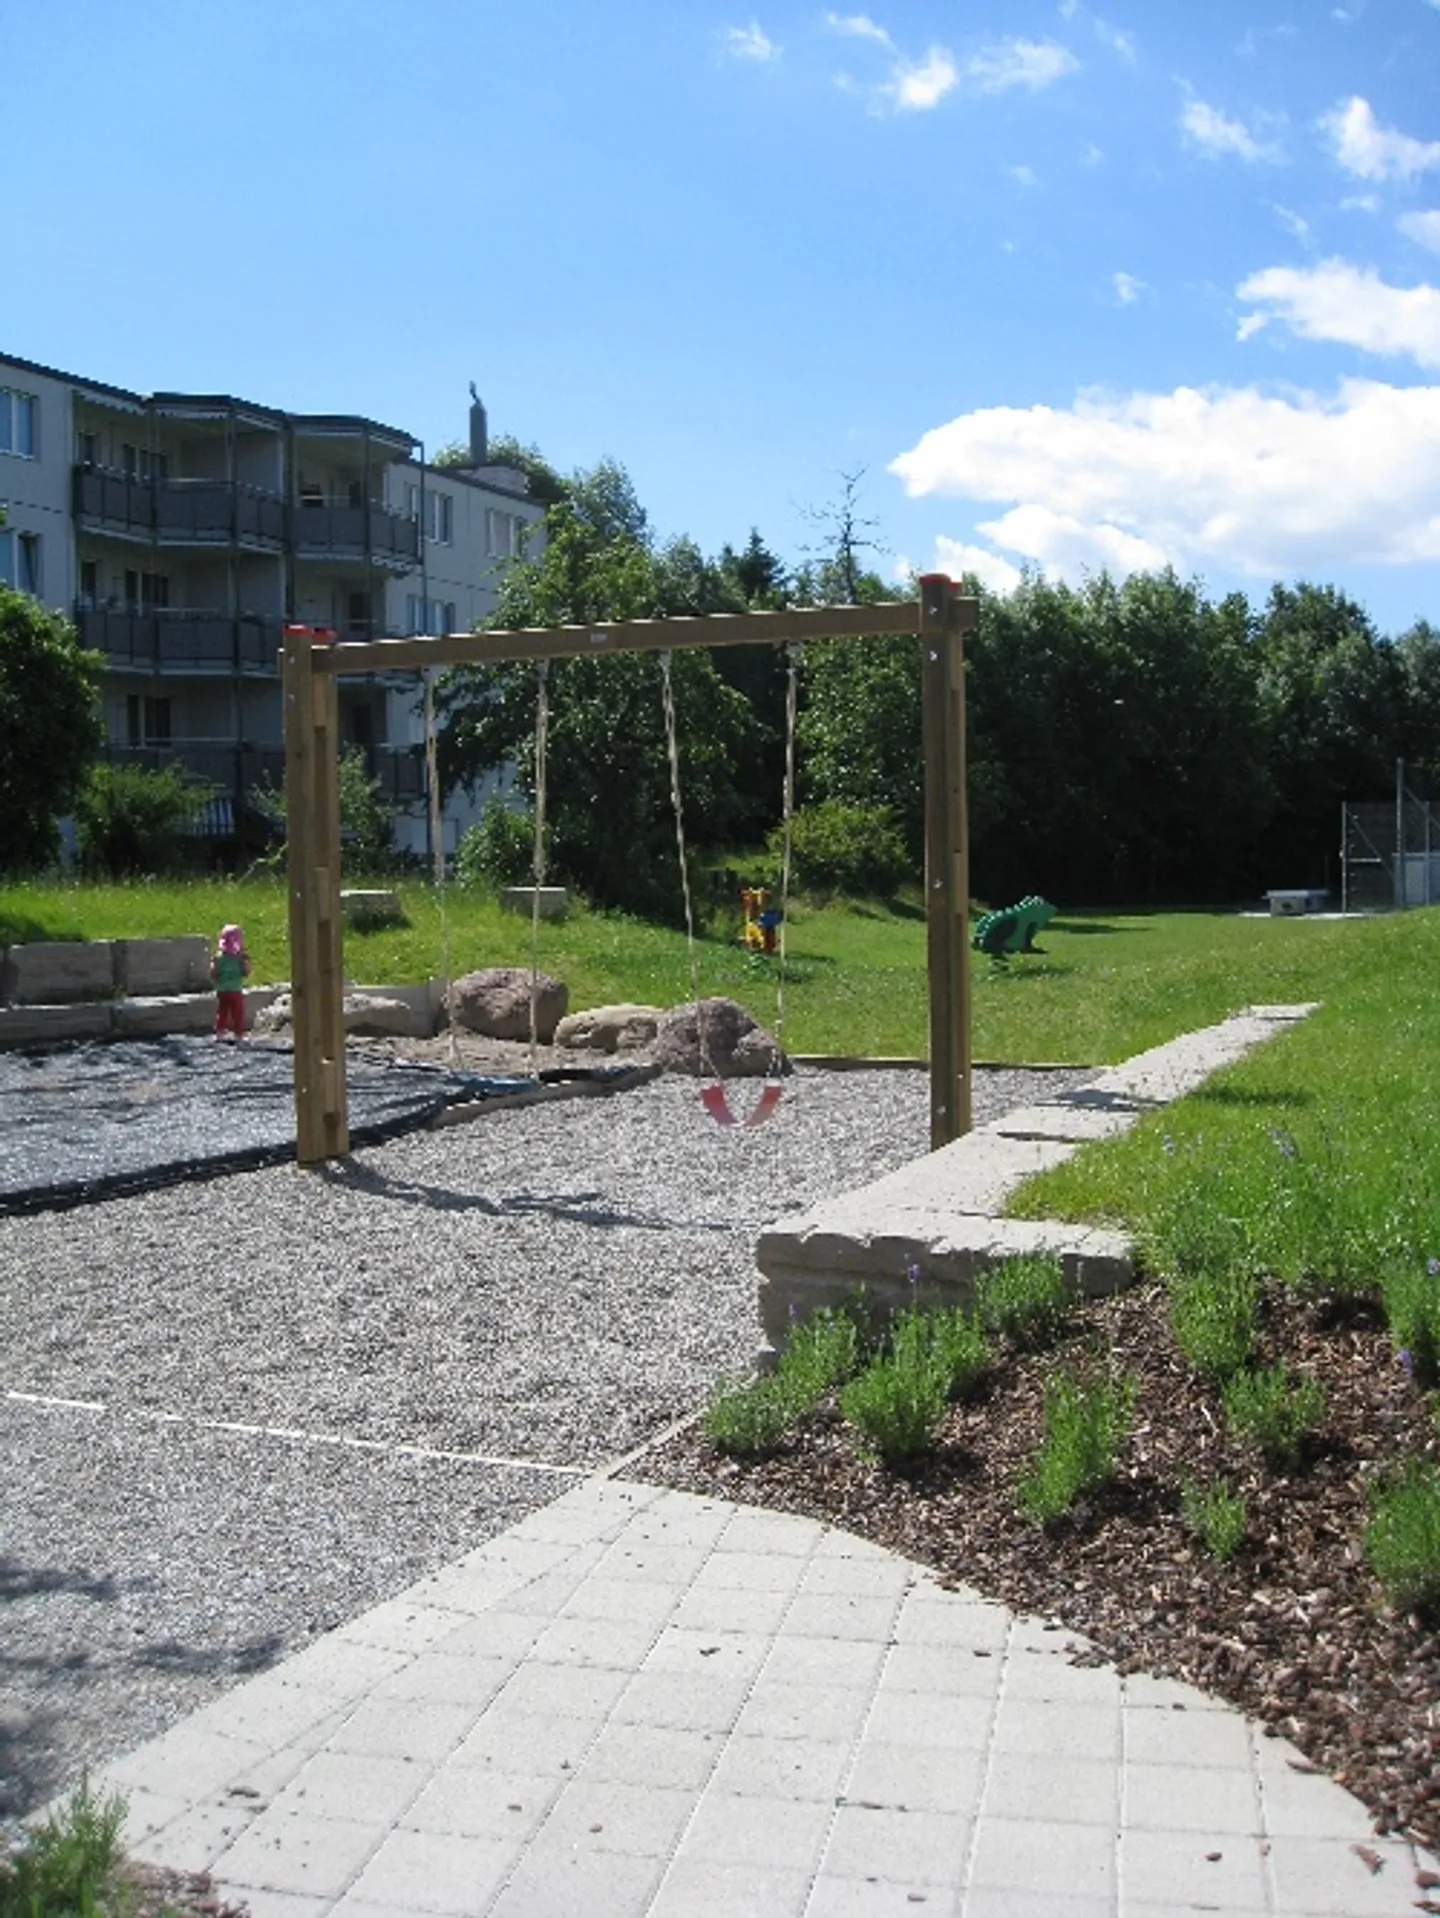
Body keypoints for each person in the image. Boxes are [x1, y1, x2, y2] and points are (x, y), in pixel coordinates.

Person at [211, 923, 251, 1040]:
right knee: (237, 1013)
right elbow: (245, 973)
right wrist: (245, 963)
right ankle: (238, 1034)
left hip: (222, 989)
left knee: (222, 1011)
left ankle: (219, 1032)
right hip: (235, 989)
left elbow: (213, 972)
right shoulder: (239, 958)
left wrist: (217, 978)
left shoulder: (218, 957)